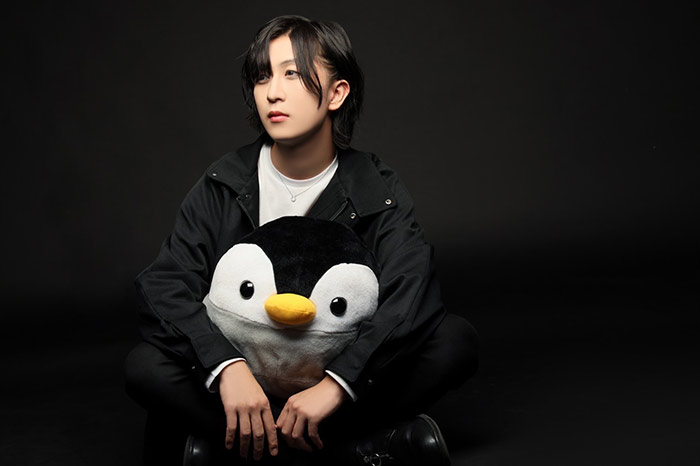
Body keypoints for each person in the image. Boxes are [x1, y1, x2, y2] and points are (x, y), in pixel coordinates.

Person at [125, 15, 478, 466]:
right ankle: (355, 449)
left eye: (291, 73)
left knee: (453, 341)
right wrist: (226, 368)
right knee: (144, 366)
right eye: (262, 76)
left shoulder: (374, 185)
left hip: (333, 366)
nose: (272, 92)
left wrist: (338, 384)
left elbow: (412, 292)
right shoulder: (226, 182)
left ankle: (231, 448)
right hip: (247, 366)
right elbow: (164, 284)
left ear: (337, 93)